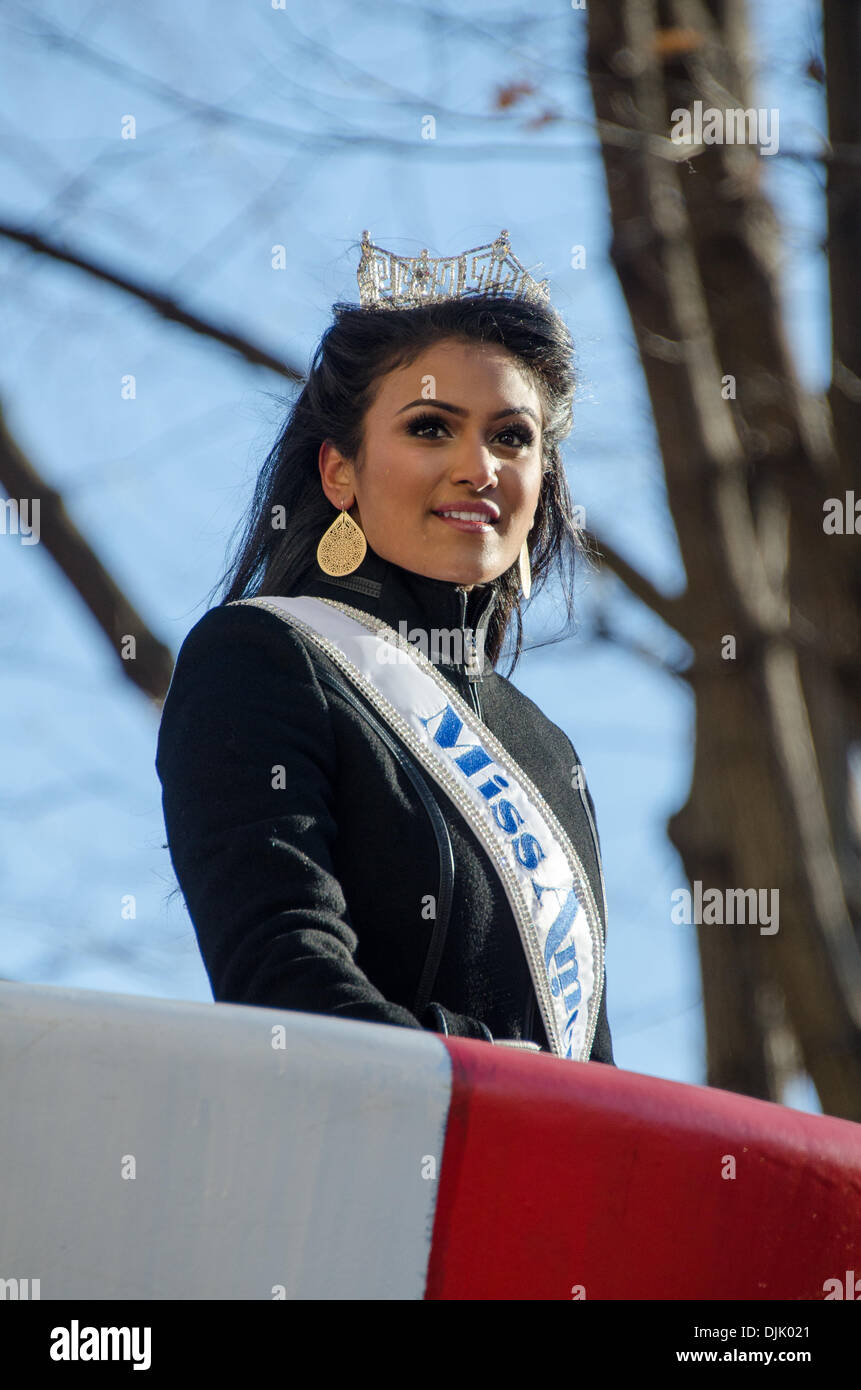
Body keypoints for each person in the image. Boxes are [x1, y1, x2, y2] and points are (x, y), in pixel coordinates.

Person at [156, 229, 614, 1064]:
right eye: (432, 427)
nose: (479, 467)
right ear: (339, 472)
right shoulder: (263, 657)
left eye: (513, 437)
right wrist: (510, 1085)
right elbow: (285, 985)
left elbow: (596, 1066)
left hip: (544, 1183)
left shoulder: (548, 754)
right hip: (364, 1173)